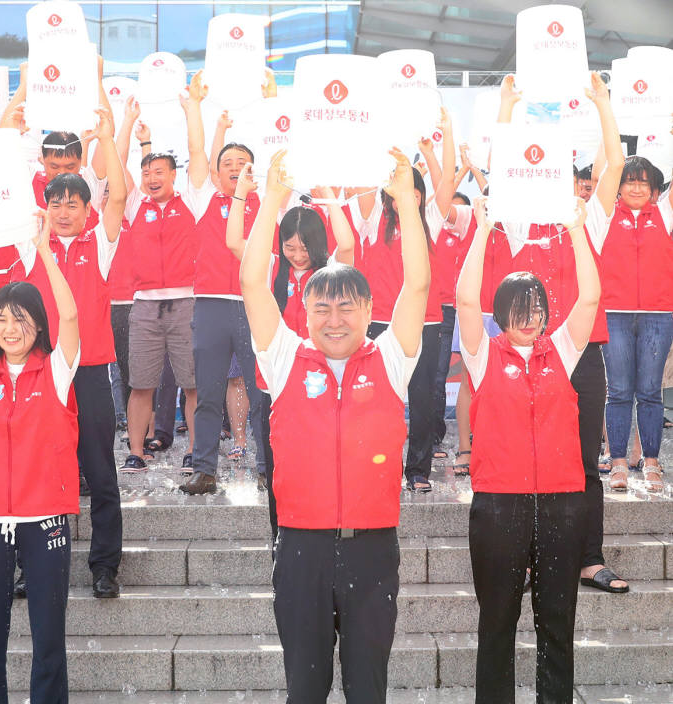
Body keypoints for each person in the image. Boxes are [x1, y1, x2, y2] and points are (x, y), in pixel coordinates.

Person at [240, 148, 429, 703]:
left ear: (369, 308)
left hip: (372, 548)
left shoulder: (392, 360)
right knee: (306, 688)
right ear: (305, 309)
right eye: (322, 308)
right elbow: (253, 284)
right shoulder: (284, 359)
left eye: (347, 307)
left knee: (368, 688)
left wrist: (407, 207)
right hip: (301, 547)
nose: (335, 319)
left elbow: (417, 287)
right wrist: (271, 201)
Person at [457, 196, 600, 704]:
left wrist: (578, 230)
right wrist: (482, 230)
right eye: (520, 309)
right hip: (500, 504)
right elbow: (465, 301)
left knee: (558, 621)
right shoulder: (482, 355)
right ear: (503, 313)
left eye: (537, 308)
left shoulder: (560, 350)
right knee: (497, 621)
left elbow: (588, 300)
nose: (531, 317)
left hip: (562, 502)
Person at [11, 108, 127, 598]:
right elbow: (1, 192)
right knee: (38, 468)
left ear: (85, 209)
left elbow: (118, 194)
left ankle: (105, 566)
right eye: (54, 202)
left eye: (72, 204)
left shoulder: (98, 244)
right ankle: (30, 566)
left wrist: (108, 139)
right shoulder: (29, 246)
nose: (63, 211)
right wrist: (5, 134)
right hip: (41, 373)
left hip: (91, 370)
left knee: (99, 468)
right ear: (45, 206)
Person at [0, 209, 80, 703]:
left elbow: (73, 315)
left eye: (20, 320)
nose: (9, 329)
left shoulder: (57, 371)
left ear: (38, 324)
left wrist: (44, 254)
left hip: (46, 521)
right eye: (0, 319)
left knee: (48, 640)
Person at [225, 162, 355, 538]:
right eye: (289, 246)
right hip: (276, 388)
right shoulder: (270, 270)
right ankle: (280, 540)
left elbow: (346, 244)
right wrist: (249, 195)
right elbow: (235, 242)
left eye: (304, 247)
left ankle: (327, 533)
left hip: (324, 387)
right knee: (279, 469)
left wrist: (329, 196)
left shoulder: (330, 274)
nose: (297, 255)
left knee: (324, 465)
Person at [349, 109, 454, 492]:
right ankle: (380, 463)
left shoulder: (431, 220)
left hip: (426, 323)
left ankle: (418, 469)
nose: (406, 194)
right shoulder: (373, 214)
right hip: (379, 323)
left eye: (414, 188)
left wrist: (433, 147)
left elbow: (444, 183)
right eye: (399, 185)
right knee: (379, 399)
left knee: (423, 400)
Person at [119, 72, 210, 473]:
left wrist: (192, 108)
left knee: (192, 384)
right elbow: (116, 167)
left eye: (160, 172)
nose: (152, 178)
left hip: (187, 303)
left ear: (175, 175)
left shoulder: (191, 198)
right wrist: (125, 125)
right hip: (144, 308)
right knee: (141, 384)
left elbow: (197, 148)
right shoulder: (136, 203)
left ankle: (195, 452)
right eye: (147, 172)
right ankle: (136, 452)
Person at [179, 111, 267, 494]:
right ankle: (204, 470)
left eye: (241, 164)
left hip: (255, 306)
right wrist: (198, 111)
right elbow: (197, 151)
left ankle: (269, 466)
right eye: (226, 164)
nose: (234, 169)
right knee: (209, 391)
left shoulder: (268, 204)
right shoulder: (204, 200)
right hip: (211, 306)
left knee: (262, 391)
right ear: (216, 175)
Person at [599, 156, 673, 492]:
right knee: (618, 392)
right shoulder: (604, 215)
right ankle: (617, 464)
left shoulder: (665, 215)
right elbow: (606, 166)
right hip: (613, 314)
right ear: (619, 186)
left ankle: (653, 463)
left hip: (659, 314)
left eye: (644, 182)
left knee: (650, 392)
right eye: (630, 180)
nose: (637, 187)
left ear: (655, 189)